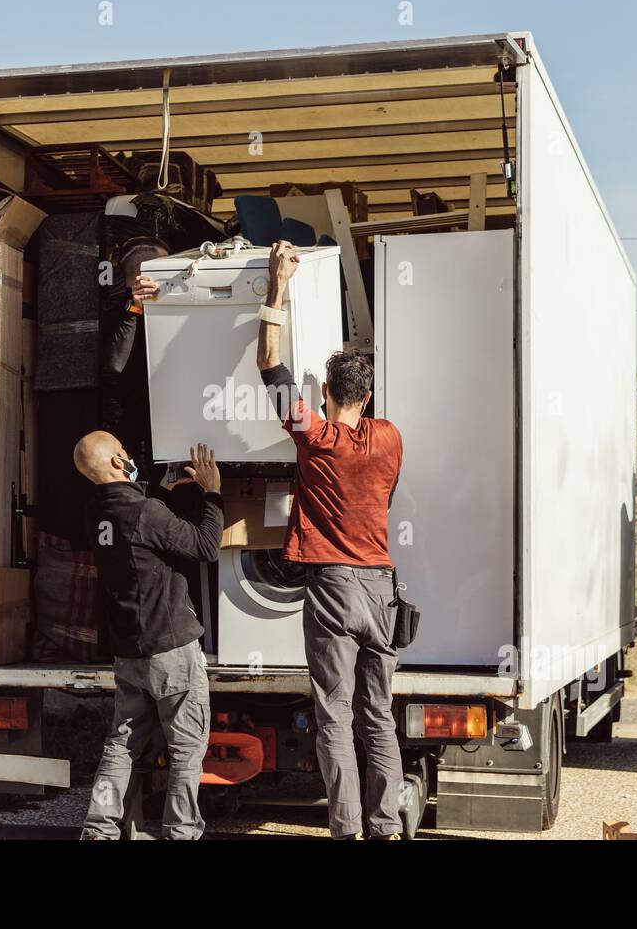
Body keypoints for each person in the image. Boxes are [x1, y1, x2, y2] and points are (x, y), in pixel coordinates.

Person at [255, 240, 405, 840]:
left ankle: (346, 830)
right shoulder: (391, 437)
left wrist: (278, 284)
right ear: (367, 399)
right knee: (379, 720)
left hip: (334, 587)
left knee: (334, 718)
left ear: (325, 396)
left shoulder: (314, 437)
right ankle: (385, 828)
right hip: (381, 588)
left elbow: (269, 363)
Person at [74, 431, 222, 840]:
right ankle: (181, 832)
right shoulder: (146, 513)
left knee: (120, 745)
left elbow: (138, 527)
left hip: (130, 654)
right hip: (171, 649)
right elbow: (206, 546)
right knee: (187, 750)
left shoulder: (96, 514)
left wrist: (160, 490)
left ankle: (98, 830)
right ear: (120, 463)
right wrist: (212, 494)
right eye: (125, 452)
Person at [98, 236, 170, 468]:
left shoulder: (163, 305)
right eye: (166, 267)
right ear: (145, 272)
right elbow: (116, 364)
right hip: (128, 424)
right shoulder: (118, 306)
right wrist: (135, 308)